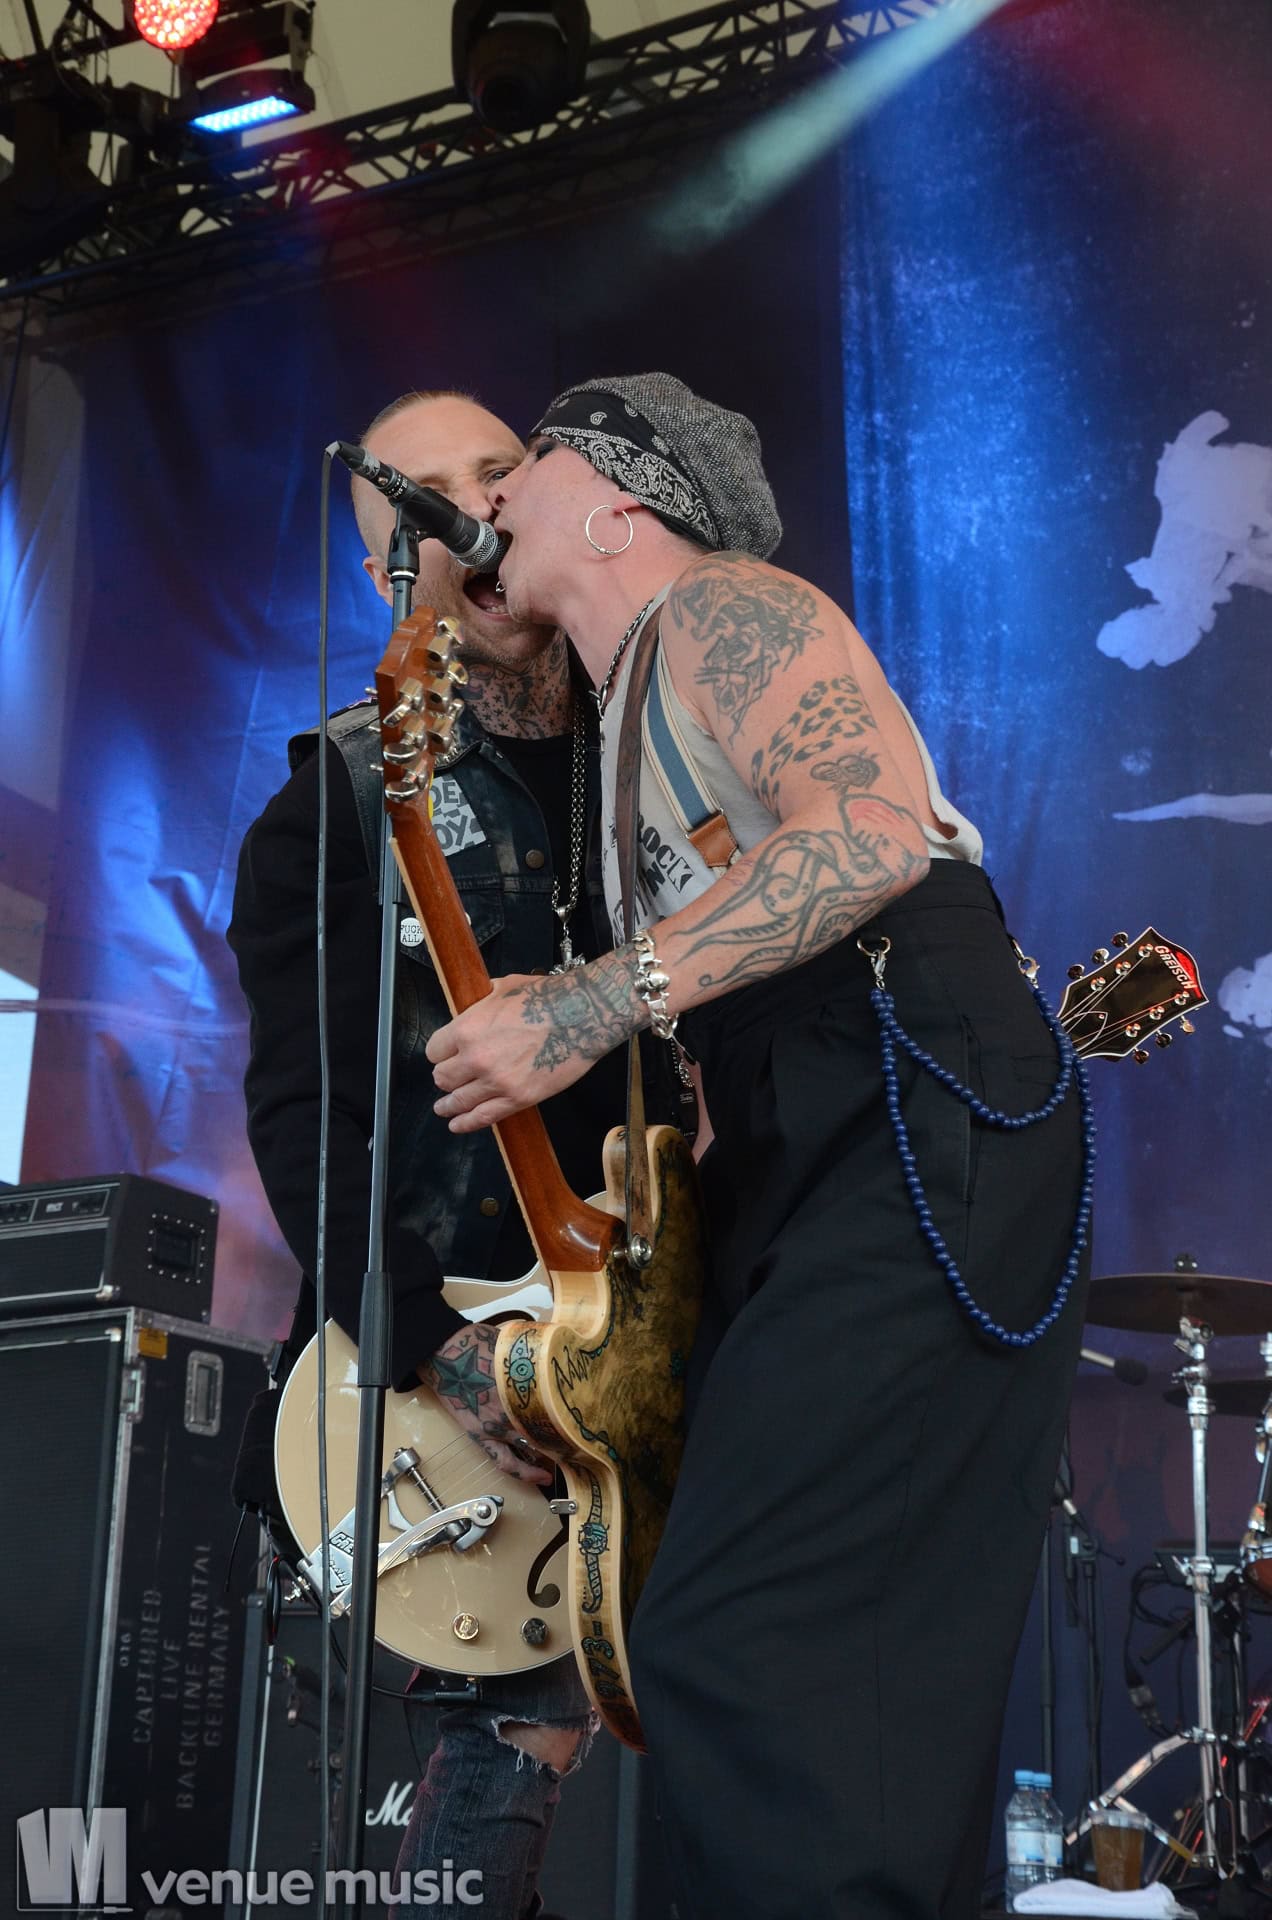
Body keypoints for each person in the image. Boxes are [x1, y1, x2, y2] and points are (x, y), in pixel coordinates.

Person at [422, 373, 1093, 1919]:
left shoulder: (728, 607)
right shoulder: (618, 729)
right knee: (811, 1667)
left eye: (525, 463)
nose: (493, 499)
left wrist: (585, 1004)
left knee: (749, 1640)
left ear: (621, 499)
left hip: (907, 1081)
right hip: (805, 1129)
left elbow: (872, 829)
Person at [227, 389, 630, 1919]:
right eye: (421, 502)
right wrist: (428, 1349)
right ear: (386, 571)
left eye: (496, 474)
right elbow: (302, 1115)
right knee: (500, 1780)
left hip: (662, 1335)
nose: (471, 510)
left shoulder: (660, 758)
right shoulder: (336, 797)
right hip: (465, 1374)